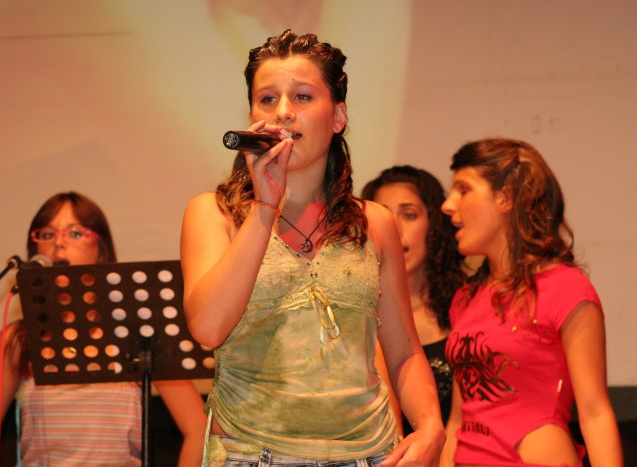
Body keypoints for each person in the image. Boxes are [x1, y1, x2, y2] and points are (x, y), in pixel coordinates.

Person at [180, 30, 445, 466]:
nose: (283, 112)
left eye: (302, 97)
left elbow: (404, 352)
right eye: (267, 99)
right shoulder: (214, 213)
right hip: (252, 454)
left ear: (338, 115)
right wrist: (264, 208)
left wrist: (431, 425)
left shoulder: (375, 223)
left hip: (369, 453)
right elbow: (208, 328)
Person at [0, 192, 207, 467]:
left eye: (75, 233)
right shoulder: (19, 339)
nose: (58, 243)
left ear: (101, 249)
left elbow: (198, 431)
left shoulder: (135, 331)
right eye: (47, 234)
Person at [439, 139, 623, 466]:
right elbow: (457, 419)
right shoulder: (465, 299)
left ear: (506, 197)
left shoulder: (565, 288)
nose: (447, 205)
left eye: (463, 190)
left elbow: (595, 412)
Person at [361, 166, 467, 435]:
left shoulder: (466, 306)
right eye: (383, 214)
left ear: (434, 227)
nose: (394, 227)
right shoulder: (351, 311)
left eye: (409, 215)